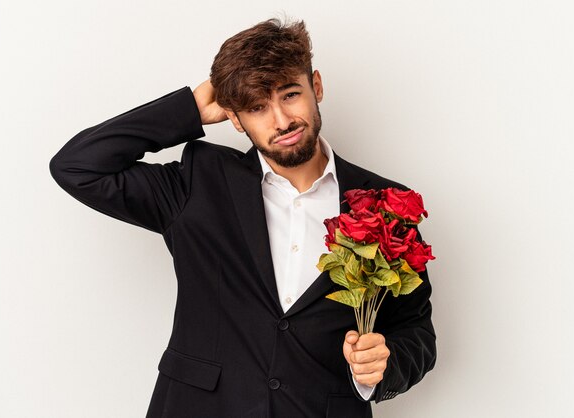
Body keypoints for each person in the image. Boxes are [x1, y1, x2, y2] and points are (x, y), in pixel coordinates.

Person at [49, 17, 436, 418]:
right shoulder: (198, 184)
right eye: (256, 108)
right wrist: (188, 110)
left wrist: (385, 364)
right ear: (235, 118)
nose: (281, 121)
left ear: (316, 86)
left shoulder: (387, 204)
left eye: (290, 94)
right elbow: (77, 167)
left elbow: (416, 331)